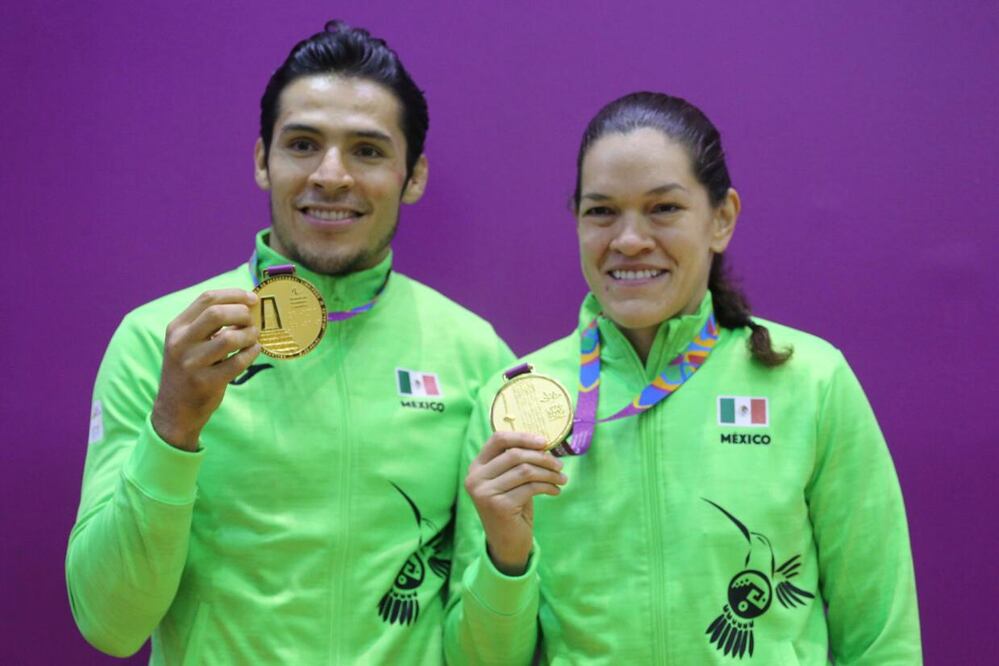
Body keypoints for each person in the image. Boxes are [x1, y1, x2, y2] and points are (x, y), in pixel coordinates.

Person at [66, 21, 512, 663]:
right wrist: (174, 425)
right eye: (303, 144)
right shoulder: (161, 342)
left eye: (367, 150)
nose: (331, 176)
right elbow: (110, 623)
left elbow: (486, 647)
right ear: (261, 161)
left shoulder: (476, 355)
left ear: (413, 176)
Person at [444, 92, 921, 664]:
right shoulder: (514, 401)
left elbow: (880, 636)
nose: (628, 240)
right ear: (576, 221)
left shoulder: (811, 381)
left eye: (663, 208)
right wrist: (506, 556)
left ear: (721, 219)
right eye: (601, 211)